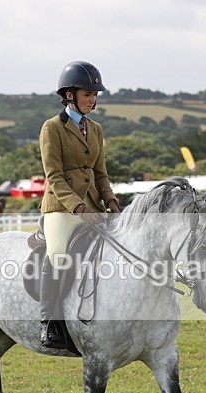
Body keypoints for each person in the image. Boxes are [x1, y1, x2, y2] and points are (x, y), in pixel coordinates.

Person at [38, 60, 120, 349]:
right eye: (88, 94)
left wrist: (110, 200)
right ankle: (49, 321)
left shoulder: (96, 129)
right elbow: (54, 177)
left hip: (94, 207)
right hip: (62, 208)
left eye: (95, 94)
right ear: (70, 94)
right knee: (58, 256)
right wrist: (78, 208)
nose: (93, 99)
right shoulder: (52, 128)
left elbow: (100, 173)